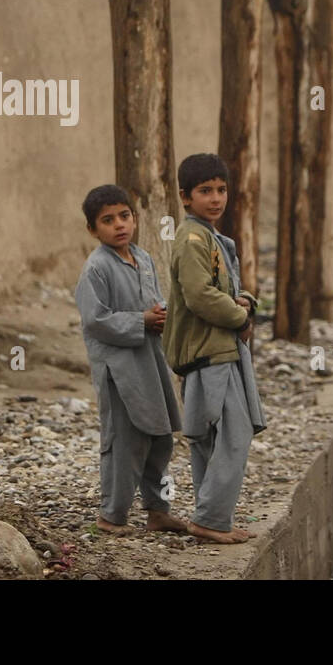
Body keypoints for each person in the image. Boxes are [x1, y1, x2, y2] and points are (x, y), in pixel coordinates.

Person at [163, 154, 267, 544]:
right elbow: (199, 295)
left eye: (221, 189)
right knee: (235, 434)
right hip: (211, 352)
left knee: (208, 438)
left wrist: (244, 300)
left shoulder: (208, 237)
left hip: (211, 352)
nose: (216, 198)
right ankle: (208, 518)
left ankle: (213, 518)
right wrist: (240, 319)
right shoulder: (192, 239)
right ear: (185, 197)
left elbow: (219, 288)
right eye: (205, 191)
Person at [74, 184, 187, 536]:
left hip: (150, 363)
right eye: (108, 220)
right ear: (93, 230)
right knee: (125, 440)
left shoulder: (143, 258)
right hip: (120, 370)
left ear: (135, 219)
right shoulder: (96, 269)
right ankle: (112, 515)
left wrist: (160, 314)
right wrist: (141, 320)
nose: (119, 225)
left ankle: (158, 510)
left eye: (124, 216)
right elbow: (96, 320)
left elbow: (153, 301)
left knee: (160, 437)